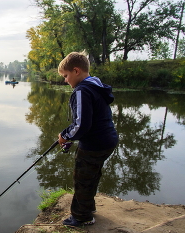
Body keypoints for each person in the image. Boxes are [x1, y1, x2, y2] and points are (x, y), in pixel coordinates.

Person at [57, 51, 118, 227]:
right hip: (108, 140)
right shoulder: (96, 85)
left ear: (76, 71)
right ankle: (88, 208)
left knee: (82, 179)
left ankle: (82, 217)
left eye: (66, 76)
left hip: (94, 144)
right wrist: (67, 133)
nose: (65, 80)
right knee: (92, 175)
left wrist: (65, 136)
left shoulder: (82, 91)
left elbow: (82, 125)